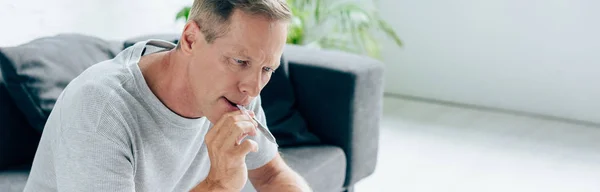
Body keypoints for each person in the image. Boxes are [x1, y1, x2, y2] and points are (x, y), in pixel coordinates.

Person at [24, 0, 312, 191]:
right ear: (190, 39)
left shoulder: (239, 91)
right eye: (239, 61)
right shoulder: (100, 109)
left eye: (267, 69)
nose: (253, 87)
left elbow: (272, 177)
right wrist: (219, 183)